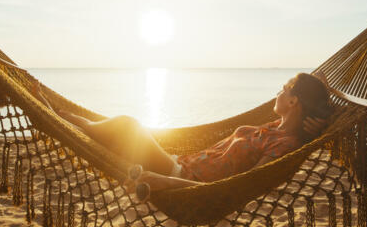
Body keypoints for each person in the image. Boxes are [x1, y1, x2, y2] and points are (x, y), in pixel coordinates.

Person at [33, 72, 332, 192]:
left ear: (294, 101)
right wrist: (318, 121)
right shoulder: (275, 127)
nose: (277, 93)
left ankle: (58, 117)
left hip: (182, 177)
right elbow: (318, 80)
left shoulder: (286, 143)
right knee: (118, 137)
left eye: (284, 89)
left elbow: (242, 186)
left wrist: (165, 181)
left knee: (127, 126)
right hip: (179, 163)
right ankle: (59, 119)